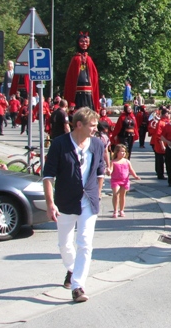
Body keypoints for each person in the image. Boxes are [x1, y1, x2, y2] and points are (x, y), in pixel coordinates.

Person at [42, 107, 106, 303]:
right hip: (66, 201)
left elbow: (100, 172)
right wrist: (50, 204)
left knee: (85, 243)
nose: (96, 129)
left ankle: (78, 286)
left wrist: (98, 194)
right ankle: (71, 268)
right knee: (65, 244)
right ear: (79, 125)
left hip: (89, 201)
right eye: (92, 126)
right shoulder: (60, 144)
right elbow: (48, 176)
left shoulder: (97, 144)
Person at [63, 32, 100, 111]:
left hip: (89, 92)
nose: (84, 44)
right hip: (78, 92)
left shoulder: (89, 59)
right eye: (82, 41)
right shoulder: (75, 59)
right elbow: (71, 78)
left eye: (86, 42)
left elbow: (94, 76)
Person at [107, 144, 141, 218]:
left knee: (122, 196)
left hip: (125, 181)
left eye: (124, 152)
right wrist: (109, 171)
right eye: (121, 151)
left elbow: (131, 170)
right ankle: (115, 210)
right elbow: (111, 170)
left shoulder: (127, 161)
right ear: (117, 152)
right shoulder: (113, 162)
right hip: (115, 181)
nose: (123, 153)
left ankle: (121, 210)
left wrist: (135, 176)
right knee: (116, 194)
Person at [149, 107, 169, 180]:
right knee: (160, 160)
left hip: (166, 143)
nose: (168, 115)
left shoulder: (168, 121)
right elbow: (158, 135)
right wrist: (162, 145)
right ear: (164, 114)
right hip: (160, 144)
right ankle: (160, 174)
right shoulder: (160, 122)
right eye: (167, 113)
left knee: (165, 159)